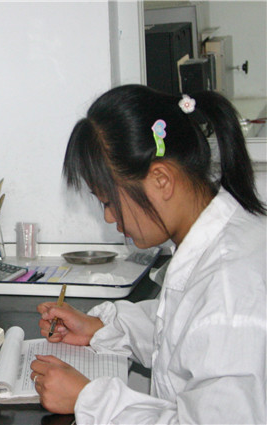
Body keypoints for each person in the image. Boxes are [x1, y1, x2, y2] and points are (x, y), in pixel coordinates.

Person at [30, 84, 266, 424]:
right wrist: (101, 329)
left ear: (161, 180)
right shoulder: (220, 241)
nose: (109, 217)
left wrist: (90, 400)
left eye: (109, 201)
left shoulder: (230, 286)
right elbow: (184, 333)